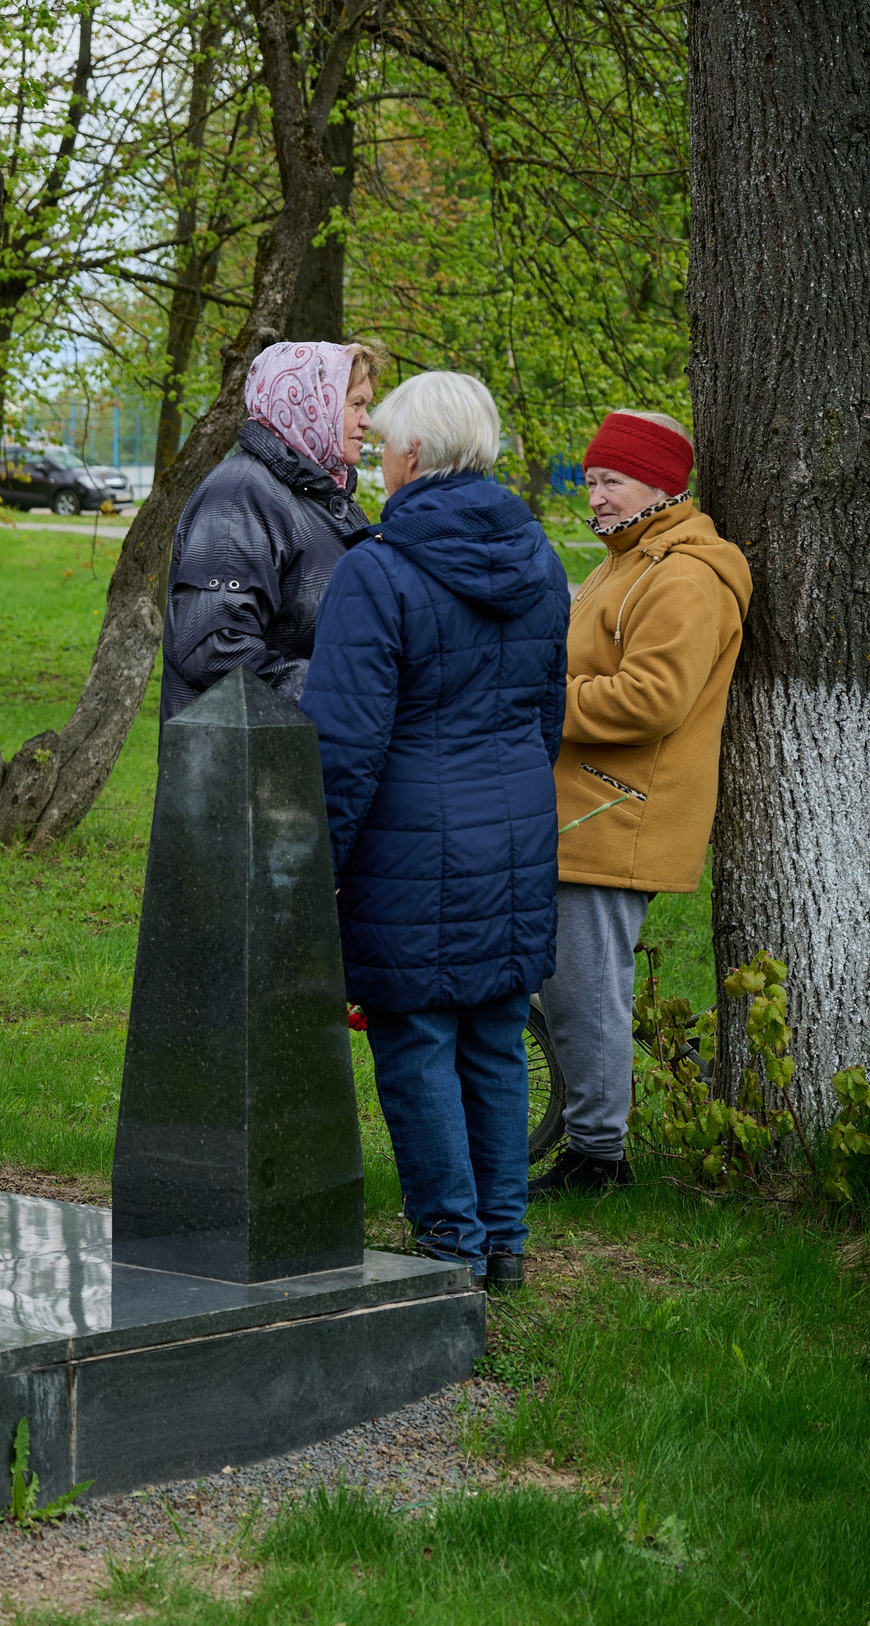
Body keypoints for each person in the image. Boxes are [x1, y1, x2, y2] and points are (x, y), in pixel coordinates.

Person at [300, 370, 568, 1293]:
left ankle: (453, 1244)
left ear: (413, 456)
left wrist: (318, 865)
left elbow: (344, 746)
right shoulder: (540, 560)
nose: (379, 460)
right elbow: (546, 716)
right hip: (516, 830)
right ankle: (504, 1242)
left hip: (407, 842)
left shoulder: (377, 570)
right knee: (495, 1034)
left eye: (385, 447)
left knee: (415, 1035)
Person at [533, 411, 749, 1196]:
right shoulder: (625, 560)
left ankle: (600, 1159)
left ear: (662, 483)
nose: (595, 496)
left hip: (619, 813)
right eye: (591, 480)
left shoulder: (685, 575)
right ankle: (598, 1137)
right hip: (586, 807)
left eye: (611, 480)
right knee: (575, 985)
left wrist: (538, 698)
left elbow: (654, 698)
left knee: (587, 990)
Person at [162, 342, 377, 719]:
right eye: (356, 404)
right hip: (241, 751)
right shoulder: (241, 496)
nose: (367, 421)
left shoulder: (321, 493)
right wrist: (336, 693)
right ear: (311, 403)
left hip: (294, 745)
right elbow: (213, 645)